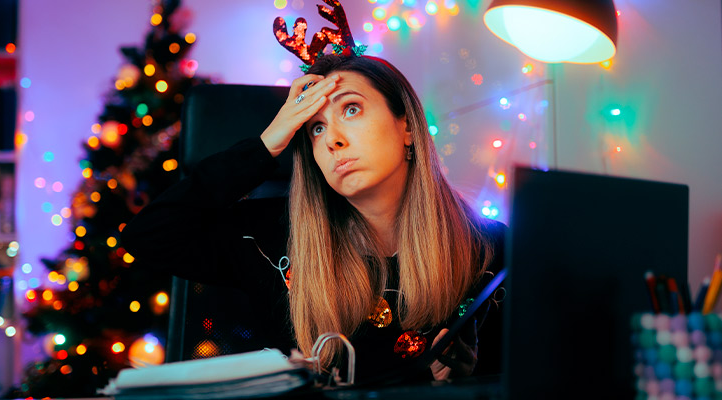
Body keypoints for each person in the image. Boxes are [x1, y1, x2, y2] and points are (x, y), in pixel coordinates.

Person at [121, 53, 506, 384]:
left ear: (406, 126)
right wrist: (267, 144)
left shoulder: (490, 249)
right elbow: (148, 234)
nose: (332, 139)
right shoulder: (273, 237)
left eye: (351, 109)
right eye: (316, 128)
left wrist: (466, 381)